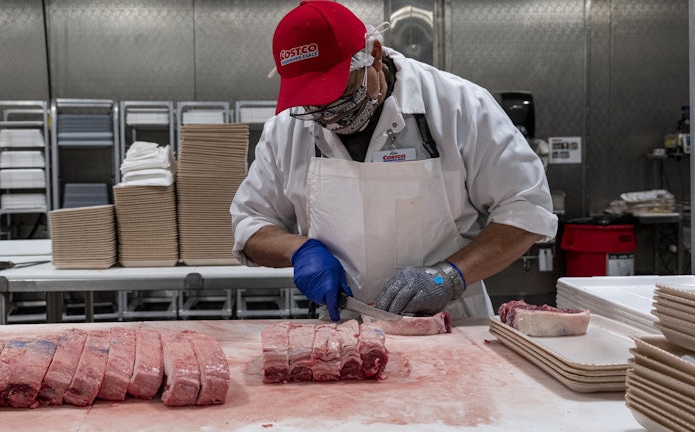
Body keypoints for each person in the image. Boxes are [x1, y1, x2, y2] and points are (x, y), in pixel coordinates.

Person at [230, 0, 558, 322]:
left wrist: (449, 276)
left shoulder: (457, 106)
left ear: (372, 55)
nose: (328, 115)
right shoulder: (287, 129)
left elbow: (527, 208)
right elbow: (251, 223)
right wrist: (298, 250)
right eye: (313, 103)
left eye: (336, 94)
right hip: (343, 332)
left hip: (449, 324)